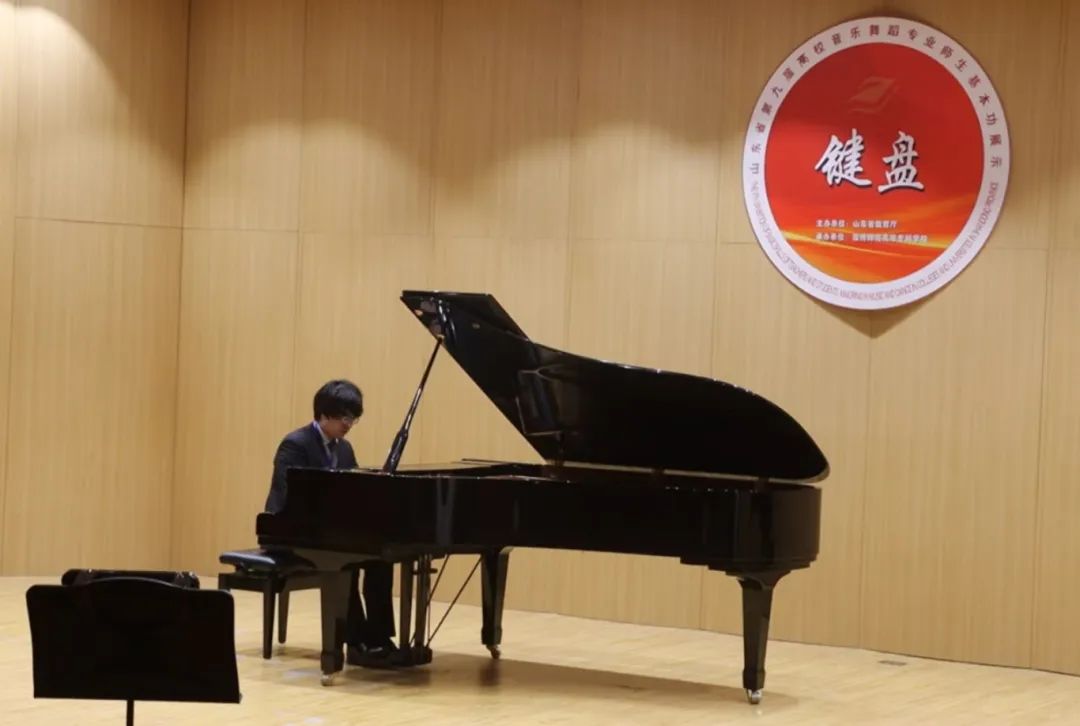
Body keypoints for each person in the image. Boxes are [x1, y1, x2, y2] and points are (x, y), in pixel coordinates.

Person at [264, 379, 397, 663]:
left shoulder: (344, 448)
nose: (349, 424)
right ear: (324, 414)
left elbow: (353, 492)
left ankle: (379, 637)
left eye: (353, 418)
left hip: (327, 530)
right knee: (344, 561)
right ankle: (356, 642)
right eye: (344, 417)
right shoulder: (295, 444)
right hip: (289, 531)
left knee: (381, 559)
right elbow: (290, 496)